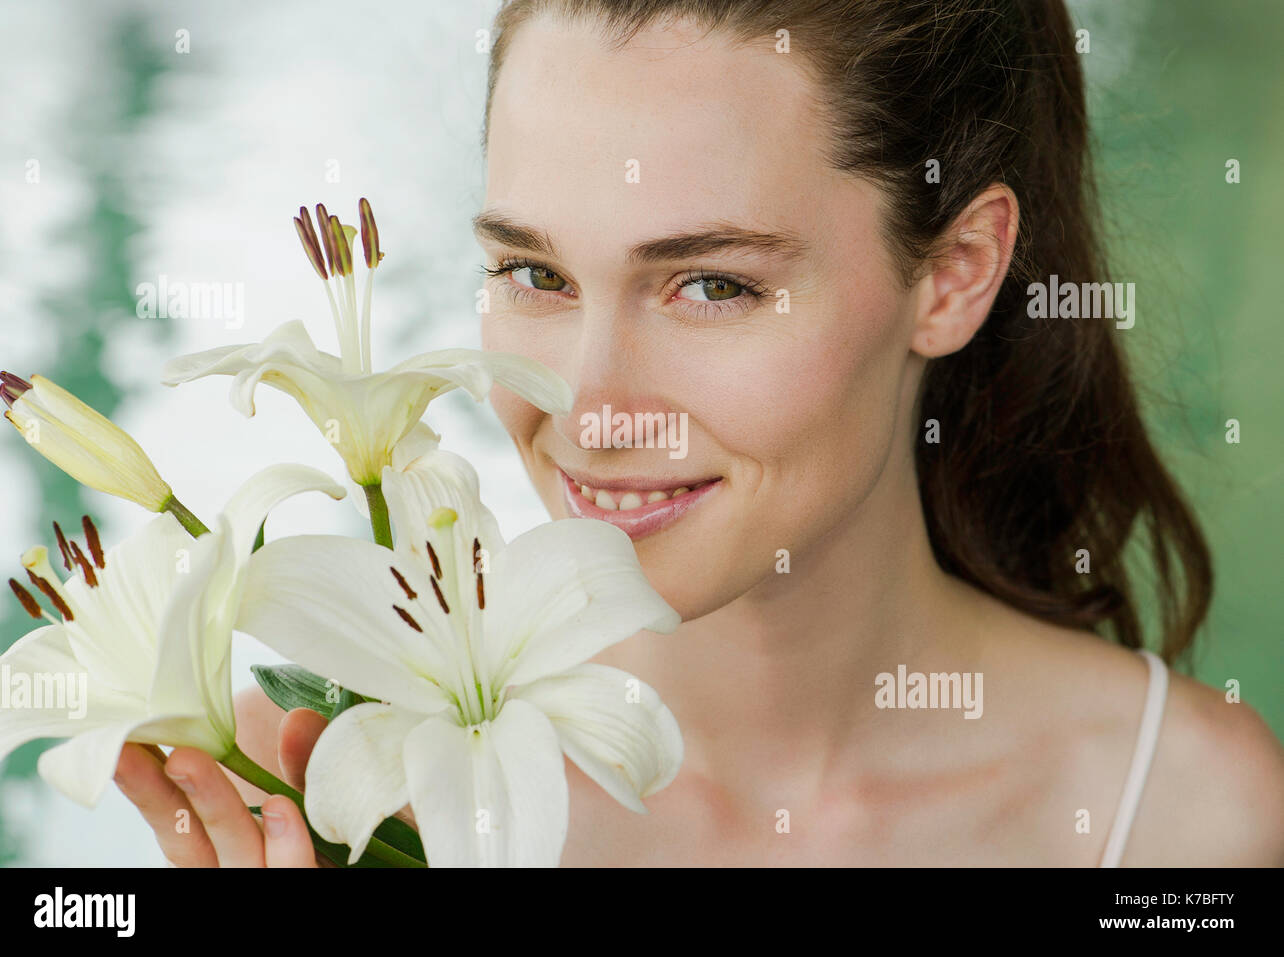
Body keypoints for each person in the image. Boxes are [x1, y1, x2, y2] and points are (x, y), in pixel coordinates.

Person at [115, 0, 1284, 866]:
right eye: (532, 271)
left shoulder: (1186, 818)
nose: (587, 405)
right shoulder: (366, 801)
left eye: (713, 287)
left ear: (953, 274)